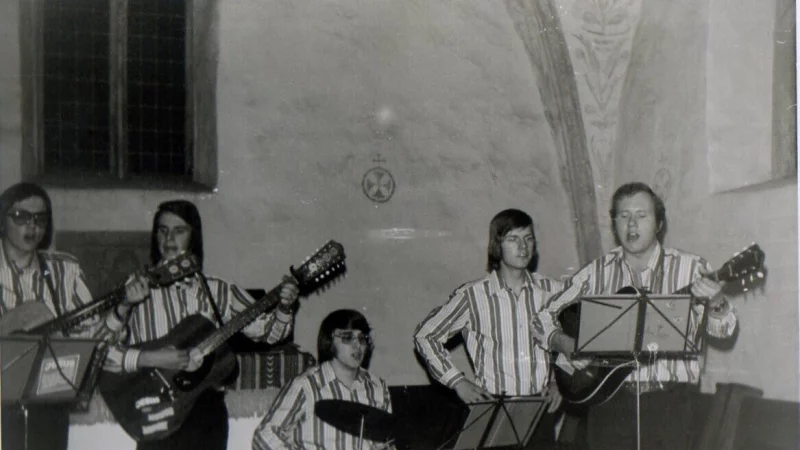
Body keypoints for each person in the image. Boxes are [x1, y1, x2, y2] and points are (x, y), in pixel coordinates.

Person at [532, 182, 738, 450]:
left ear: (659, 223)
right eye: (623, 216)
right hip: (608, 404)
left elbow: (724, 332)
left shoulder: (692, 268)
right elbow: (541, 319)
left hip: (671, 405)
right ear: (614, 223)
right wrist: (565, 343)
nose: (632, 224)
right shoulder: (596, 273)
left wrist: (717, 302)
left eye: (641, 216)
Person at [103, 199, 300, 450]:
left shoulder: (218, 290)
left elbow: (271, 334)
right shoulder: (136, 288)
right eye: (162, 230)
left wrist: (284, 306)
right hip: (159, 409)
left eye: (179, 230)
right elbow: (104, 351)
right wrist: (125, 307)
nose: (169, 238)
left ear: (194, 237)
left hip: (208, 415)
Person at [413, 208, 564, 448]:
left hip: (540, 411)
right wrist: (457, 382)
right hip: (495, 410)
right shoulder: (473, 296)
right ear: (497, 245)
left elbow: (576, 339)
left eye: (528, 238)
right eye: (513, 239)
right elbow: (425, 336)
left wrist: (559, 381)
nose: (523, 247)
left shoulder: (554, 290)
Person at [0, 182, 104, 450]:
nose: (32, 226)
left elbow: (92, 333)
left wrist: (119, 315)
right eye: (21, 217)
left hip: (47, 408)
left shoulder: (65, 271)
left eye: (40, 219)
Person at [253, 309, 393, 450]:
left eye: (362, 338)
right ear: (329, 342)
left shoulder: (378, 387)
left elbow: (388, 442)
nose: (357, 346)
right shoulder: (306, 384)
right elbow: (264, 438)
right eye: (347, 337)